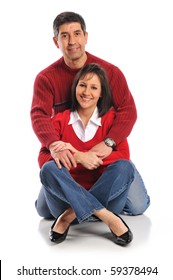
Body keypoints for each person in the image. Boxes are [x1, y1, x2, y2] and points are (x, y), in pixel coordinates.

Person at [30, 11, 150, 220]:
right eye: (64, 36)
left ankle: (71, 214)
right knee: (43, 209)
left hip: (102, 161)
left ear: (86, 37)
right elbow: (39, 115)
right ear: (55, 41)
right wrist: (66, 151)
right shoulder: (46, 79)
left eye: (77, 34)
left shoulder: (110, 73)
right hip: (70, 164)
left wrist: (109, 142)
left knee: (139, 205)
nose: (72, 41)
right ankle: (102, 214)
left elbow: (128, 111)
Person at [40, 63, 134, 245]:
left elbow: (123, 156)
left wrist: (89, 157)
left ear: (101, 93)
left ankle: (68, 216)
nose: (86, 92)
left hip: (106, 197)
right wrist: (78, 157)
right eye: (82, 85)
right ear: (75, 87)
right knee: (48, 168)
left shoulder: (111, 120)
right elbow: (43, 157)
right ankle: (109, 218)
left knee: (126, 167)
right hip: (65, 199)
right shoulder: (59, 120)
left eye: (93, 87)